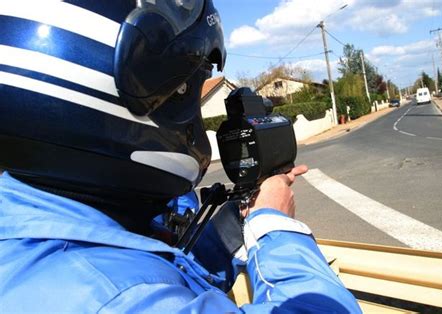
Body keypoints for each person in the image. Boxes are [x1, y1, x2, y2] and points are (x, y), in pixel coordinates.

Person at [0, 1, 361, 312]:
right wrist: (274, 225)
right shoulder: (117, 300)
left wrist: (236, 220)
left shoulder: (35, 226)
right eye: (185, 90)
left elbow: (163, 278)